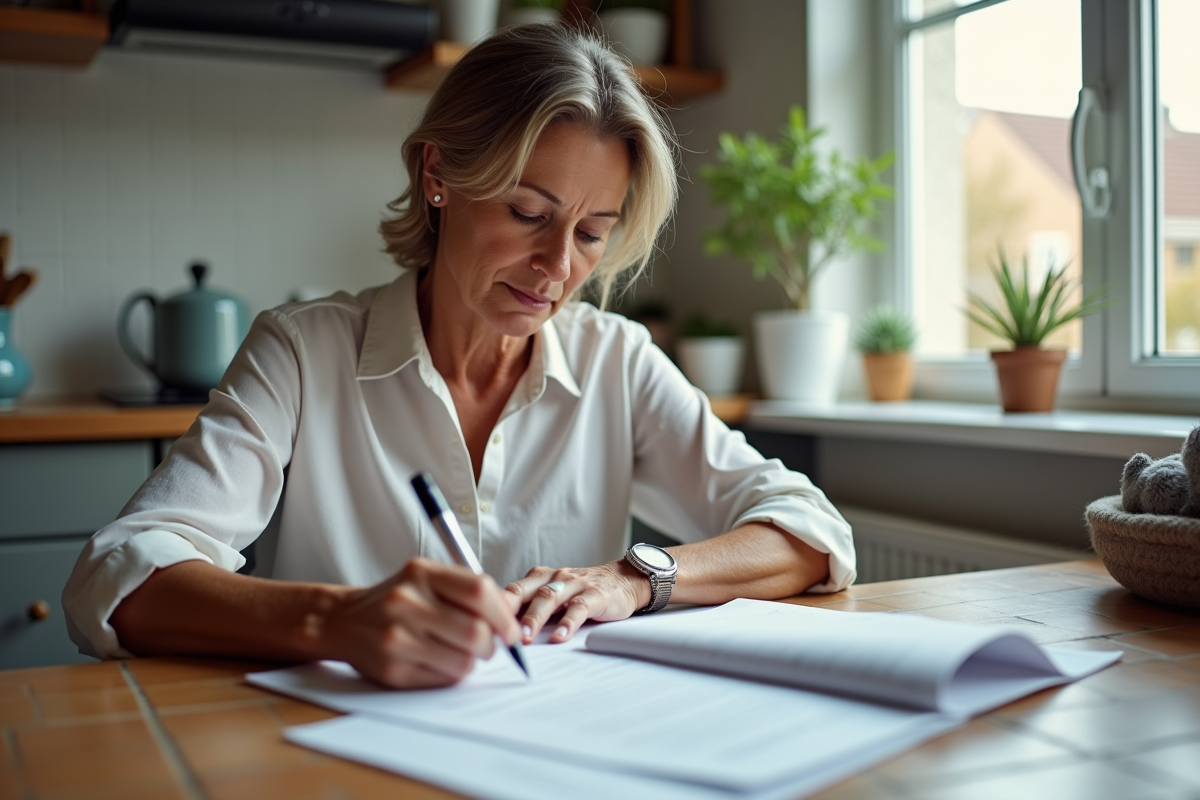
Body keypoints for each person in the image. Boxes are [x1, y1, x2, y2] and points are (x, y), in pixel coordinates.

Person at [63, 23, 855, 689]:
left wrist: (633, 579)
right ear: (437, 175)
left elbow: (810, 532)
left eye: (591, 233)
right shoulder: (303, 353)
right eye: (527, 212)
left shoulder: (616, 360)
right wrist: (337, 618)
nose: (558, 267)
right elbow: (116, 575)